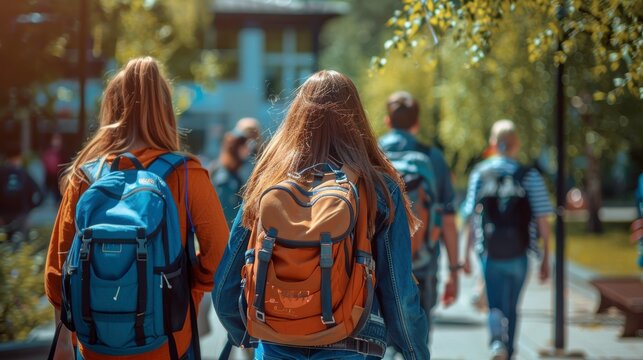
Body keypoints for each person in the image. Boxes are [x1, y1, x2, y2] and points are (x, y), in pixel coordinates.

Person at [213, 70, 430, 359]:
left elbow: (226, 281)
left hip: (278, 342)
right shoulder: (377, 186)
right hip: (353, 342)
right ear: (356, 118)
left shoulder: (269, 180)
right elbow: (399, 290)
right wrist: (415, 352)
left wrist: (247, 333)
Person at [44, 57, 229, 360]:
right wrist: (183, 279)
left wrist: (64, 342)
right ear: (167, 111)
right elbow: (220, 258)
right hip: (169, 343)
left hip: (94, 346)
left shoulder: (85, 176)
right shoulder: (187, 174)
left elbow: (57, 271)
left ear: (112, 108)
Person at [461, 119, 552, 360]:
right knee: (512, 306)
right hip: (520, 253)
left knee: (494, 304)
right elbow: (543, 219)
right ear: (517, 144)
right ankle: (509, 352)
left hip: (490, 252)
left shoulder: (481, 172)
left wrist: (465, 256)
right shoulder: (530, 175)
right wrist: (546, 259)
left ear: (493, 143)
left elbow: (470, 214)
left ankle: (496, 344)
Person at [378, 91, 460, 325]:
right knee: (419, 337)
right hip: (423, 261)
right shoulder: (433, 157)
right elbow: (447, 220)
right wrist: (454, 272)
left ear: (387, 121)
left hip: (379, 263)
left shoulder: (373, 154)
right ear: (417, 123)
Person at [0, 146, 43, 243]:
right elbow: (40, 194)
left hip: (2, 217)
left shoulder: (1, 173)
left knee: (3, 248)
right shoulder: (23, 174)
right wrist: (29, 209)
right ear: (19, 158)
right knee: (20, 247)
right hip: (21, 217)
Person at [43, 133, 64, 202]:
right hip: (49, 177)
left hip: (58, 178)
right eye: (55, 139)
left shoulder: (63, 152)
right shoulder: (48, 152)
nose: (56, 142)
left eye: (58, 139)